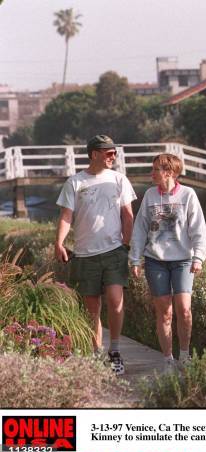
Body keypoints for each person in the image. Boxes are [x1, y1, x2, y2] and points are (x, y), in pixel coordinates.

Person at [55, 135, 136, 375]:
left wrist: (126, 244)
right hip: (84, 254)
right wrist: (59, 242)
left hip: (113, 252)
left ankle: (115, 351)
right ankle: (96, 353)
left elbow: (127, 214)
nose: (113, 156)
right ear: (93, 154)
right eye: (108, 152)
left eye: (114, 152)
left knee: (115, 299)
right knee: (92, 309)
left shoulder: (119, 180)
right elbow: (66, 216)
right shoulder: (75, 182)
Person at [129, 153, 206, 372]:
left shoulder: (188, 194)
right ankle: (167, 360)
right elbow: (140, 228)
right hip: (155, 261)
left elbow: (198, 228)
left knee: (184, 310)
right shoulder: (150, 195)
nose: (151, 173)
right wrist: (135, 258)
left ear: (169, 172)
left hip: (183, 260)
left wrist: (199, 256)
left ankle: (184, 355)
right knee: (164, 313)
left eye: (155, 169)